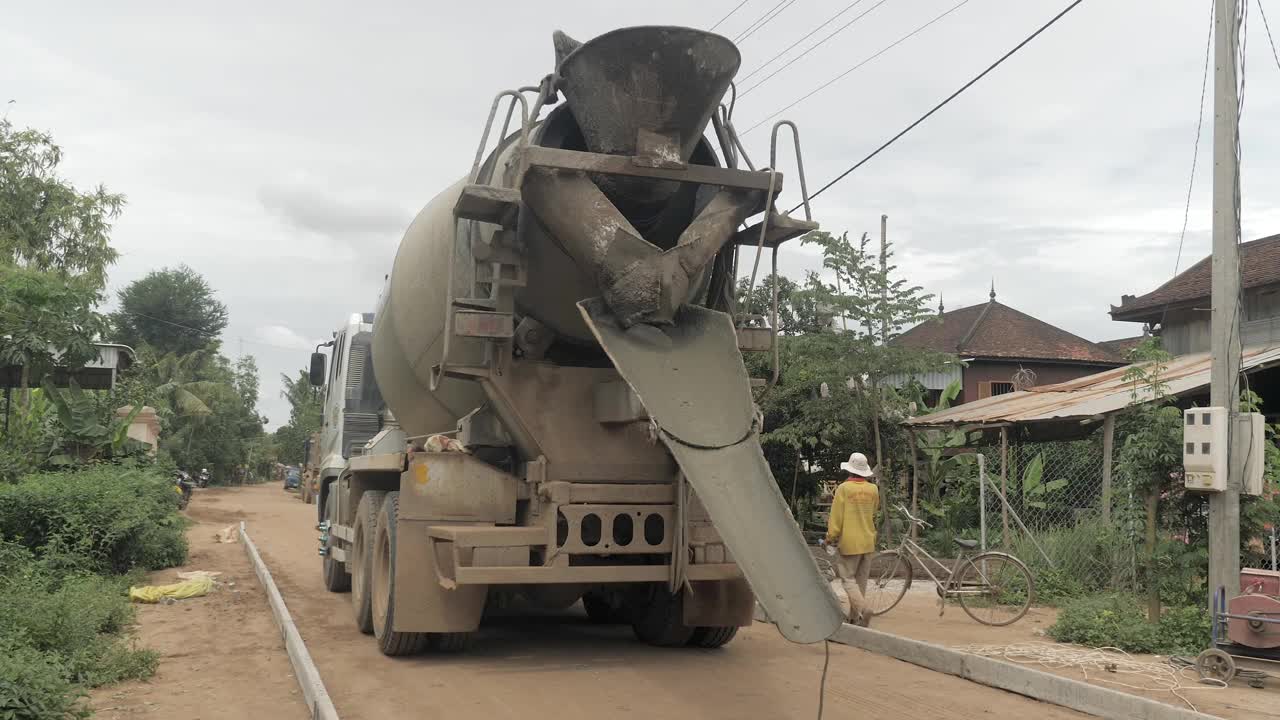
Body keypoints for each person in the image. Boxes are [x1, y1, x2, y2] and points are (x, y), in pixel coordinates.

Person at [824, 451, 880, 627]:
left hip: (849, 542)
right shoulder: (873, 489)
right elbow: (873, 513)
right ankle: (855, 617)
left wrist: (830, 538)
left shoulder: (844, 489)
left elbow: (836, 519)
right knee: (860, 581)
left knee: (848, 579)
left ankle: (863, 609)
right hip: (868, 541)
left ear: (850, 470)